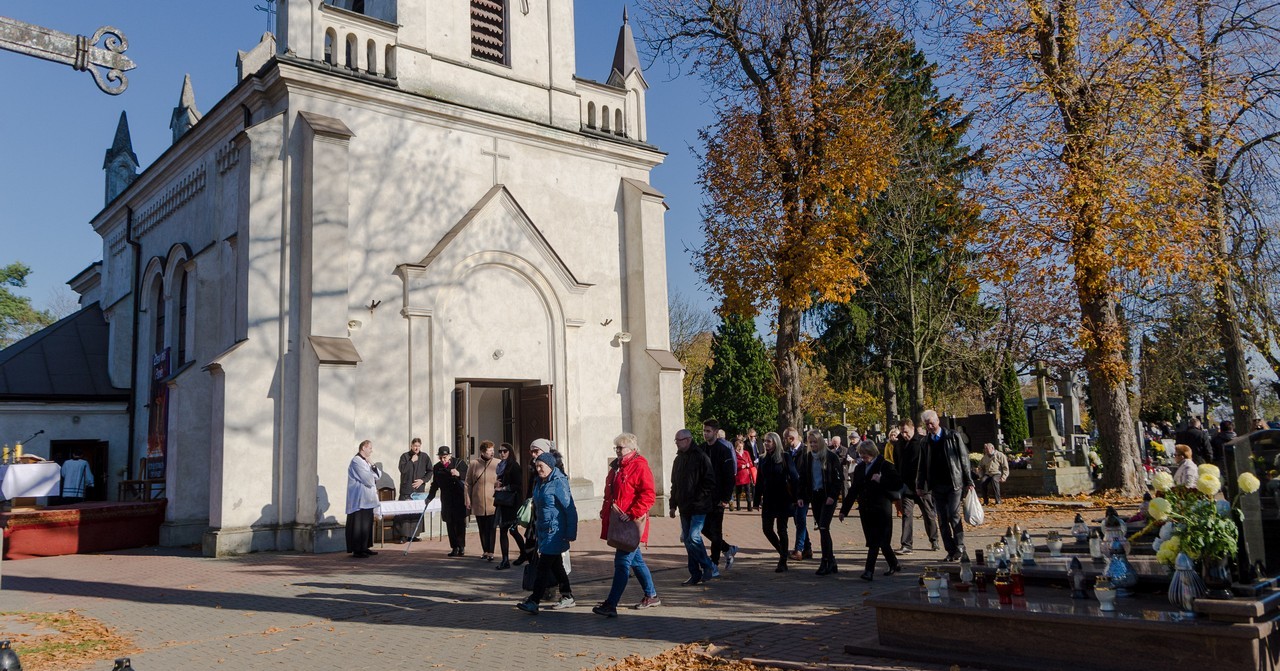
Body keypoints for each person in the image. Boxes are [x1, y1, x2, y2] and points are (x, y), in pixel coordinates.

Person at [592, 433, 661, 617]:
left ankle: (611, 604)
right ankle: (651, 595)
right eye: (616, 448)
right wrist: (605, 511)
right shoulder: (617, 467)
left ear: (632, 449)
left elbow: (648, 495)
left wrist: (632, 513)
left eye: (620, 448)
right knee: (636, 561)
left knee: (622, 563)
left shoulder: (639, 466)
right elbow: (610, 494)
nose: (617, 451)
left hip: (631, 524)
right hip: (620, 523)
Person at [516, 452, 578, 614]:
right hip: (543, 530)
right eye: (536, 466)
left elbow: (570, 509)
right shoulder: (539, 482)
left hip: (556, 531)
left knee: (543, 567)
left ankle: (534, 600)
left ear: (550, 466)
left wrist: (571, 532)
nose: (538, 469)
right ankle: (567, 595)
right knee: (556, 565)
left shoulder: (559, 482)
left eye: (541, 466)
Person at [915, 410, 974, 562]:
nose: (929, 426)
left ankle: (960, 546)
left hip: (954, 483)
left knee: (953, 514)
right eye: (927, 424)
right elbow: (922, 465)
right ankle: (950, 550)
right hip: (936, 485)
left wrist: (969, 481)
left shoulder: (952, 436)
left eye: (931, 423)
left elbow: (964, 458)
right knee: (942, 519)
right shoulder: (925, 442)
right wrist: (920, 485)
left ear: (937, 421)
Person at [840, 441, 903, 581]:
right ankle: (894, 563)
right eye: (861, 454)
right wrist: (844, 510)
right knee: (878, 541)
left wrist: (881, 480)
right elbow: (854, 490)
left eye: (865, 454)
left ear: (872, 452)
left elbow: (897, 483)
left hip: (881, 509)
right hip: (866, 510)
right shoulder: (860, 467)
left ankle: (869, 571)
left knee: (877, 541)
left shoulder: (884, 465)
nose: (863, 457)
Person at [669, 428, 719, 585]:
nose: (676, 443)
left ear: (688, 440)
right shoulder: (678, 460)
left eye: (679, 440)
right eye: (676, 440)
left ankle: (708, 565)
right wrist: (672, 505)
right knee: (688, 541)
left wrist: (699, 497)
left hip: (699, 506)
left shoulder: (701, 457)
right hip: (684, 507)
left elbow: (709, 481)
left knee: (693, 537)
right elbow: (674, 485)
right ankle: (695, 573)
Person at [797, 429, 845, 575]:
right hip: (815, 496)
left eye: (815, 442)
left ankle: (825, 561)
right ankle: (831, 561)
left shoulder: (830, 457)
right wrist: (800, 496)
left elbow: (838, 479)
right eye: (810, 442)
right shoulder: (807, 458)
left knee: (823, 527)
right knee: (822, 528)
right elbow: (802, 478)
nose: (813, 445)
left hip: (828, 497)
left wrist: (833, 495)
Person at [754, 431, 799, 572]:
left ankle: (783, 560)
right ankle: (782, 551)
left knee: (782, 529)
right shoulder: (763, 459)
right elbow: (759, 480)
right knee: (767, 529)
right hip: (768, 499)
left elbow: (794, 477)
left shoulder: (785, 457)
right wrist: (756, 500)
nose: (766, 443)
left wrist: (797, 497)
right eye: (765, 441)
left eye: (769, 441)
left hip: (783, 498)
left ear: (776, 442)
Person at [893, 419, 940, 554]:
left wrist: (927, 483)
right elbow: (897, 463)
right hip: (906, 486)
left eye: (906, 432)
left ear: (912, 428)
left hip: (922, 486)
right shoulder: (899, 444)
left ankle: (934, 540)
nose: (904, 435)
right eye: (902, 432)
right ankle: (906, 544)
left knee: (928, 514)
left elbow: (928, 463)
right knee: (906, 515)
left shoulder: (922, 442)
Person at [700, 419, 739, 569]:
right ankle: (727, 548)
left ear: (715, 432)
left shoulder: (723, 450)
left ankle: (714, 561)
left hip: (718, 497)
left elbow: (729, 476)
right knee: (703, 528)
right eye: (704, 431)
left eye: (708, 431)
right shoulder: (701, 449)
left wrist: (726, 498)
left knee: (716, 530)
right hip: (704, 497)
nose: (705, 434)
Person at [426, 446, 468, 556]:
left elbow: (469, 476)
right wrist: (430, 497)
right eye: (440, 458)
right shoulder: (437, 467)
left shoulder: (459, 463)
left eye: (444, 457)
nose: (442, 460)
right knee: (450, 523)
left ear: (449, 455)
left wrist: (459, 474)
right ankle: (454, 547)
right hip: (446, 499)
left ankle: (461, 546)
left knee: (460, 523)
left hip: (459, 498)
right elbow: (435, 484)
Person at [345, 440, 381, 559]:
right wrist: (373, 476)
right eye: (370, 448)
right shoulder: (356, 461)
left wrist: (372, 464)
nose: (371, 450)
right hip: (359, 499)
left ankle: (365, 547)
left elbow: (378, 475)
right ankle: (357, 549)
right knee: (359, 525)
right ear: (363, 448)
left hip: (368, 499)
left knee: (366, 524)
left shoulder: (366, 462)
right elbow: (368, 479)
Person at [494, 442, 526, 569]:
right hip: (502, 502)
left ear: (510, 452)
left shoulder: (514, 466)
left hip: (512, 503)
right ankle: (505, 560)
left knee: (512, 530)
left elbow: (518, 485)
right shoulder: (500, 466)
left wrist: (504, 488)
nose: (502, 454)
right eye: (500, 451)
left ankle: (523, 553)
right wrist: (497, 484)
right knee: (503, 531)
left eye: (504, 451)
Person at [466, 440, 500, 561]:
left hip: (493, 501)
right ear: (483, 452)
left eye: (493, 450)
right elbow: (468, 483)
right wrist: (467, 499)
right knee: (482, 528)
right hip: (478, 501)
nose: (492, 452)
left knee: (492, 528)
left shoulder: (498, 463)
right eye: (490, 450)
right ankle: (485, 550)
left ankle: (491, 551)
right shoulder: (474, 464)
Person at [783, 427, 812, 560]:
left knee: (800, 520)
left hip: (804, 492)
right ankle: (807, 548)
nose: (785, 441)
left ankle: (799, 550)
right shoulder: (787, 452)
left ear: (792, 438)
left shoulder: (806, 452)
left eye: (786, 438)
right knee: (798, 520)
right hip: (792, 492)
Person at [394, 438, 431, 542]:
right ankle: (403, 536)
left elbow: (430, 471)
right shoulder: (405, 456)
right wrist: (411, 461)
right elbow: (403, 470)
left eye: (418, 446)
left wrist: (422, 480)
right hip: (406, 489)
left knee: (416, 512)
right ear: (411, 445)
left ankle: (413, 535)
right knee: (404, 512)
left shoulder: (424, 457)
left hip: (418, 490)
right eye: (415, 446)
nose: (416, 448)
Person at [733, 438, 756, 511]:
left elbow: (751, 462)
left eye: (741, 446)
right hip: (739, 475)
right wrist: (740, 466)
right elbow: (733, 464)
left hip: (746, 475)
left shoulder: (746, 453)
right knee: (738, 492)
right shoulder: (734, 454)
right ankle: (738, 506)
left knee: (748, 491)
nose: (740, 448)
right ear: (736, 447)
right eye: (739, 447)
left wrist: (748, 465)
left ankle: (749, 506)